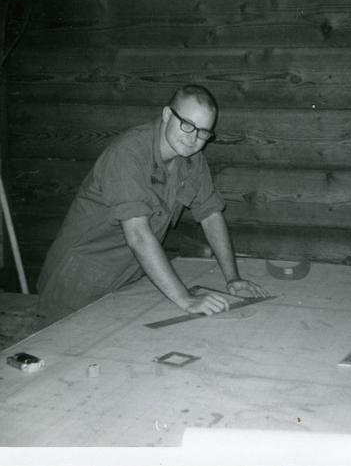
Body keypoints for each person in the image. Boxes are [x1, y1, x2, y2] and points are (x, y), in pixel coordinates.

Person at [36, 84, 267, 325]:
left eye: (203, 132)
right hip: (75, 284)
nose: (193, 138)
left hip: (124, 281)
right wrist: (186, 299)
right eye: (187, 125)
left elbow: (211, 216)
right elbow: (138, 234)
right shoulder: (128, 153)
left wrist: (233, 279)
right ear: (167, 115)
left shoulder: (192, 161)